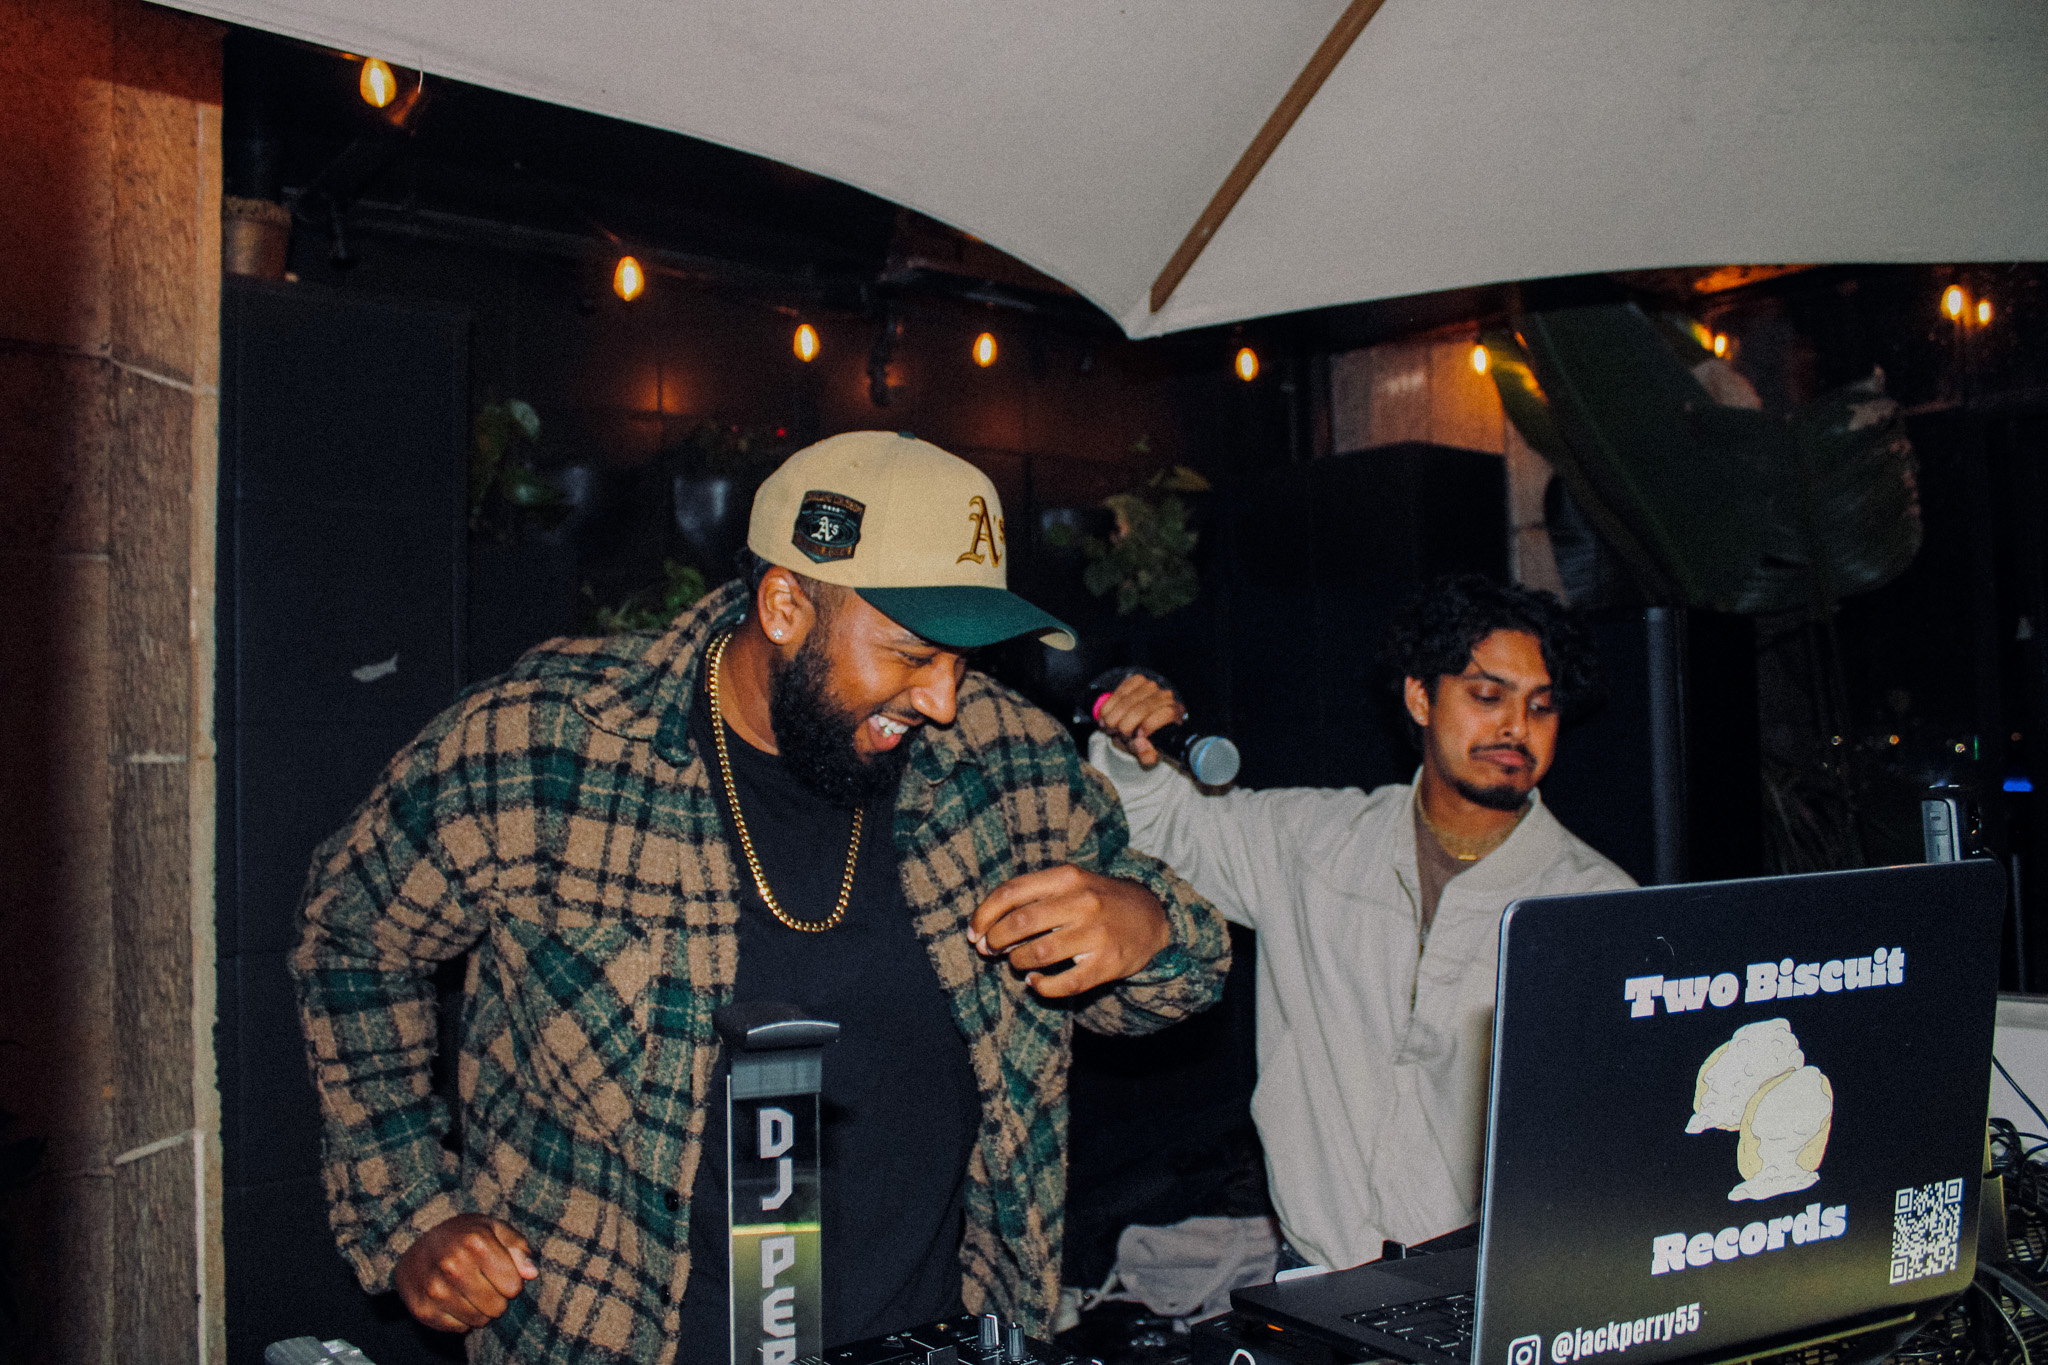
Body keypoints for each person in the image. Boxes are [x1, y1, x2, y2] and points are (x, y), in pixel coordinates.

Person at [290, 432, 1229, 1365]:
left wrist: (1148, 929)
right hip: (611, 1339)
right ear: (784, 603)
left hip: (934, 1338)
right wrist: (413, 1208)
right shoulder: (548, 743)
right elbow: (352, 937)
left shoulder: (1007, 764)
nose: (944, 700)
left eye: (965, 659)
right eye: (911, 655)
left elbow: (1174, 978)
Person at [1088, 575, 1634, 1272]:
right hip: (1318, 1283)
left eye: (1541, 705)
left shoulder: (1597, 906)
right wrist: (1138, 747)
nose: (1515, 727)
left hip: (1489, 1302)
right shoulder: (1315, 842)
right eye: (1487, 694)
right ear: (1420, 696)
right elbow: (1164, 830)